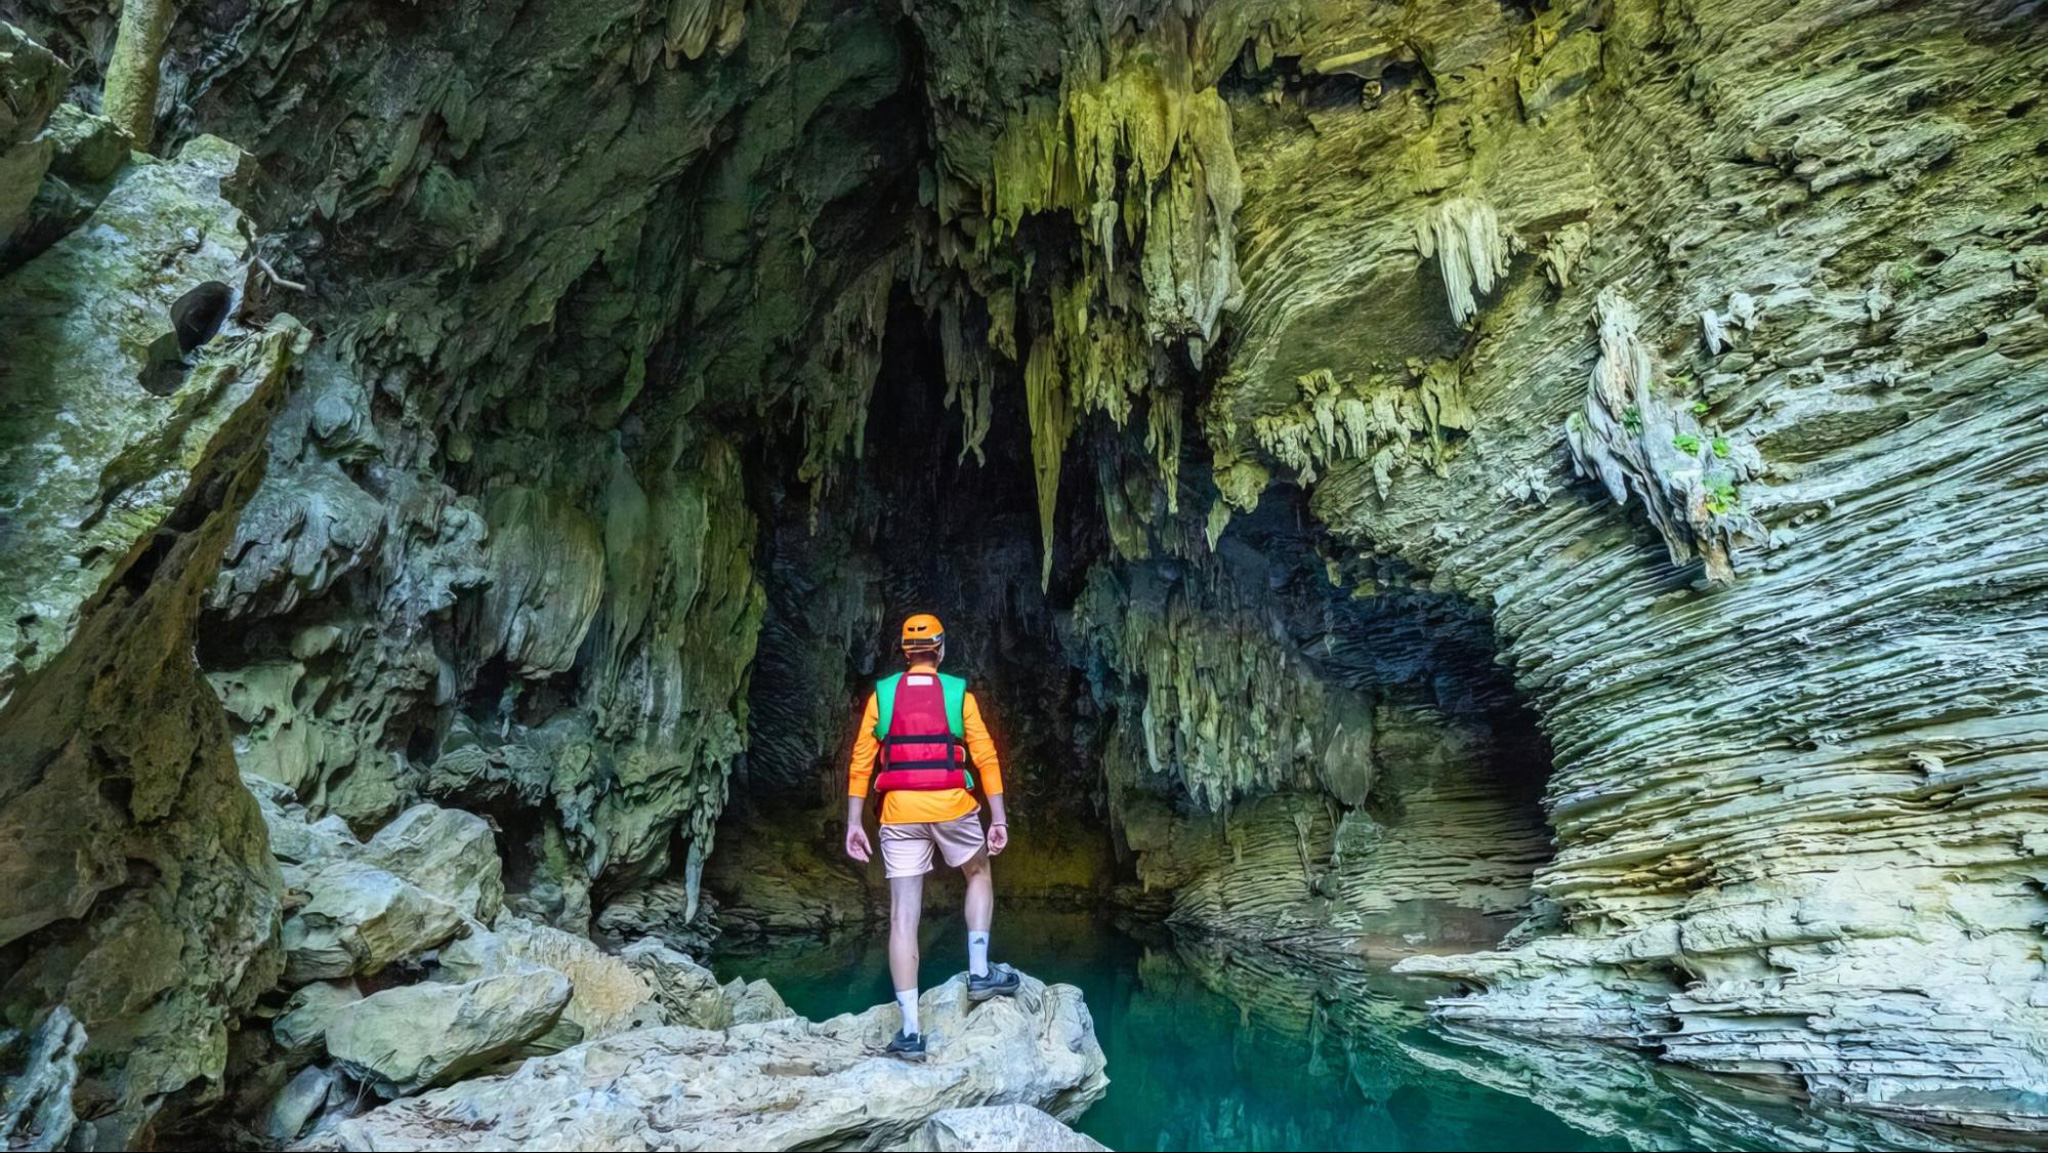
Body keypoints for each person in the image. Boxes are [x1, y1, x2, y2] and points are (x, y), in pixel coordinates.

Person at [844, 612, 1019, 1060]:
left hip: (899, 811)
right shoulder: (959, 694)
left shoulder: (882, 696)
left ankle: (910, 1032)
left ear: (906, 653)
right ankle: (979, 973)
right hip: (951, 805)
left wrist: (854, 822)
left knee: (903, 916)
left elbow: (862, 761)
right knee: (978, 872)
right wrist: (998, 817)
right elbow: (985, 756)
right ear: (940, 650)